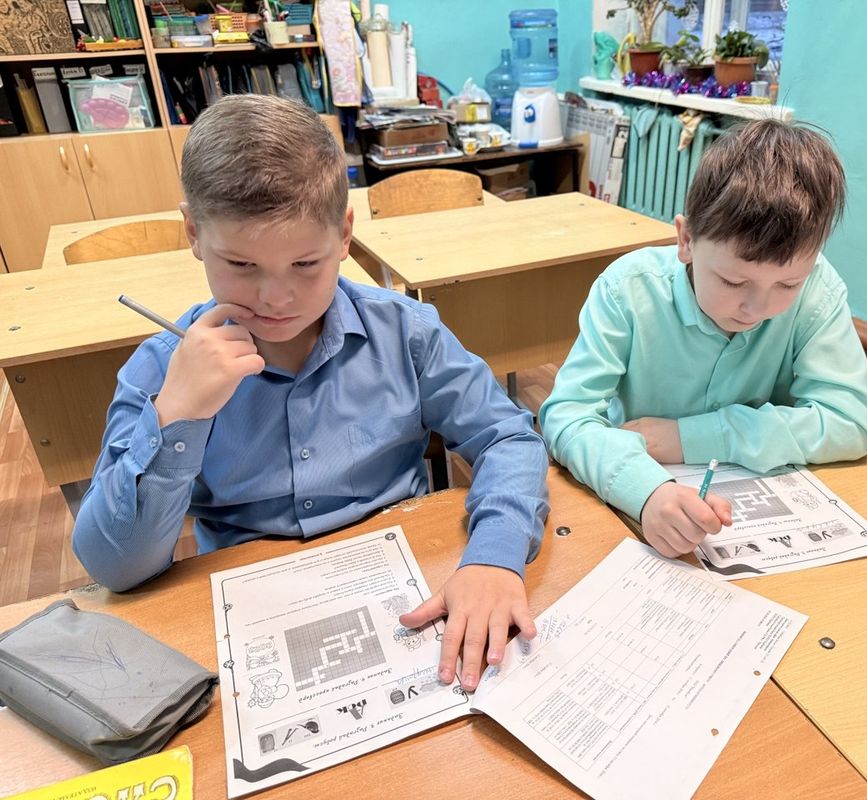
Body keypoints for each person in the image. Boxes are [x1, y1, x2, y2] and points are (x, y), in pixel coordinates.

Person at [72, 95, 549, 692]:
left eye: (305, 264)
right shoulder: (162, 370)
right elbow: (114, 566)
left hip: (407, 586)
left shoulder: (405, 332)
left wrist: (495, 551)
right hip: (252, 618)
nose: (276, 298)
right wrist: (176, 417)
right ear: (194, 232)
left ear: (344, 234)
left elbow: (507, 437)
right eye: (241, 265)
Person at [540, 119, 867, 559]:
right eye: (733, 282)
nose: (757, 309)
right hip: (642, 496)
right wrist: (645, 490)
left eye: (787, 285)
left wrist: (692, 437)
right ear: (686, 240)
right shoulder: (627, 290)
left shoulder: (818, 289)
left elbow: (852, 423)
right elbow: (567, 416)